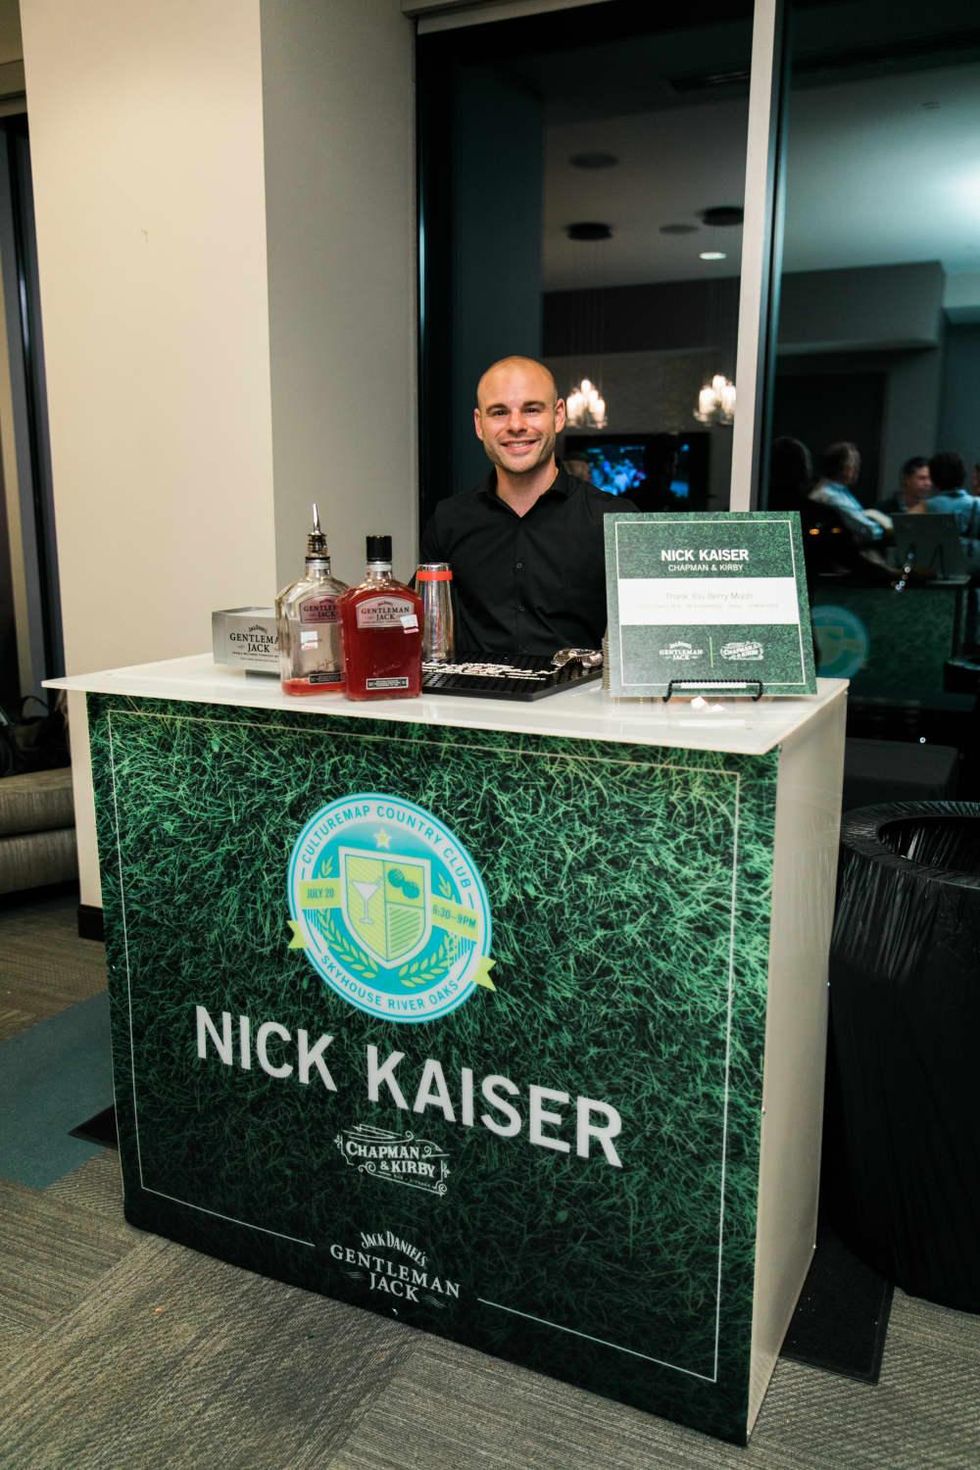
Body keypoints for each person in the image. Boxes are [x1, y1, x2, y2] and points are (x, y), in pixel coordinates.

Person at [419, 356, 635, 655]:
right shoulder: (449, 520)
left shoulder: (613, 520)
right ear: (479, 425)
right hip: (474, 700)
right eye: (499, 412)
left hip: (576, 700)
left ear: (558, 416)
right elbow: (421, 625)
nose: (516, 425)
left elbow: (648, 637)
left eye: (531, 410)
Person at [808, 442, 889, 546]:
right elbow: (869, 530)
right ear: (841, 467)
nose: (857, 469)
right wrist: (885, 526)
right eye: (853, 464)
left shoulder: (839, 492)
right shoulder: (831, 496)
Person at [926, 451, 980, 571]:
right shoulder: (977, 504)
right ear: (962, 475)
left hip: (936, 573)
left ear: (933, 478)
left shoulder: (925, 507)